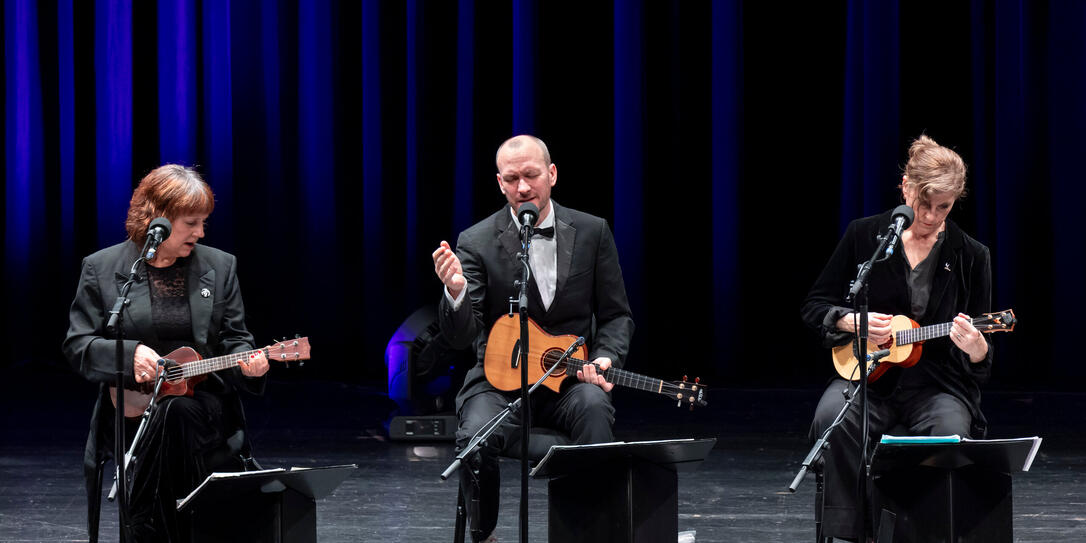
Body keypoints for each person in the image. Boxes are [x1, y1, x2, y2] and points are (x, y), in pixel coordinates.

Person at [432, 135, 635, 542]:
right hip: (497, 383)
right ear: (499, 183)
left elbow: (616, 315)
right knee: (474, 437)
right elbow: (460, 336)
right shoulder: (476, 240)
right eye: (512, 178)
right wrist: (454, 292)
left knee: (595, 412)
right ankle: (484, 534)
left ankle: (585, 533)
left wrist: (607, 357)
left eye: (531, 175)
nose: (523, 187)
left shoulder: (593, 232)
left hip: (569, 384)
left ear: (552, 174)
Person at [800, 135, 994, 540]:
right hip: (868, 376)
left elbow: (981, 351)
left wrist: (977, 350)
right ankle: (857, 531)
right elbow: (816, 305)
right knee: (830, 419)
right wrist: (849, 320)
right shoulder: (866, 236)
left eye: (944, 207)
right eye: (924, 204)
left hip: (937, 385)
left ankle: (927, 530)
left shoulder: (971, 255)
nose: (932, 215)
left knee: (950, 430)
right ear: (906, 187)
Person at [63, 165, 269, 541]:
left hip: (202, 404)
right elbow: (78, 346)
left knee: (177, 412)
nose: (200, 233)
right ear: (157, 217)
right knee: (168, 415)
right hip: (131, 408)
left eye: (204, 222)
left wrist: (251, 366)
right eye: (191, 222)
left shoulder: (220, 267)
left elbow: (236, 340)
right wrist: (130, 356)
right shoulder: (102, 268)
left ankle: (145, 526)